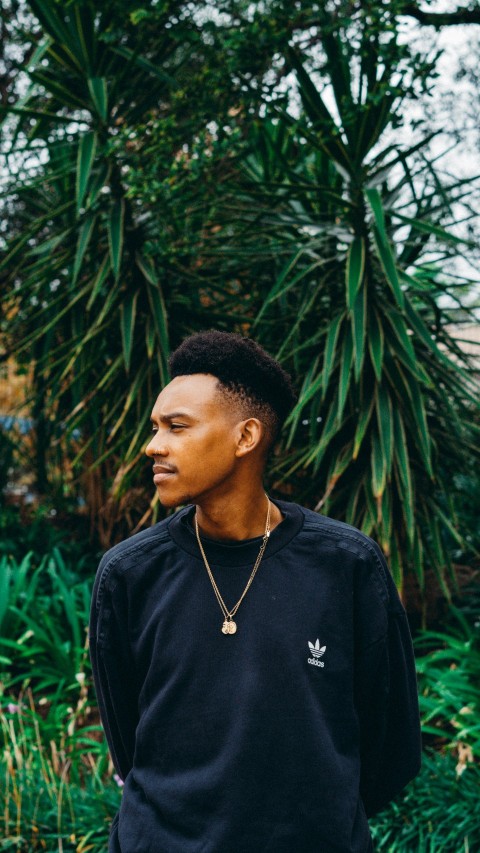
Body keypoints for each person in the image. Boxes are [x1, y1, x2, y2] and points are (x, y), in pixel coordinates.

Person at [90, 330, 421, 853]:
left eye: (177, 427)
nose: (152, 445)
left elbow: (390, 744)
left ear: (245, 438)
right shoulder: (130, 574)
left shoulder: (347, 566)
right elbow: (128, 743)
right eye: (155, 428)